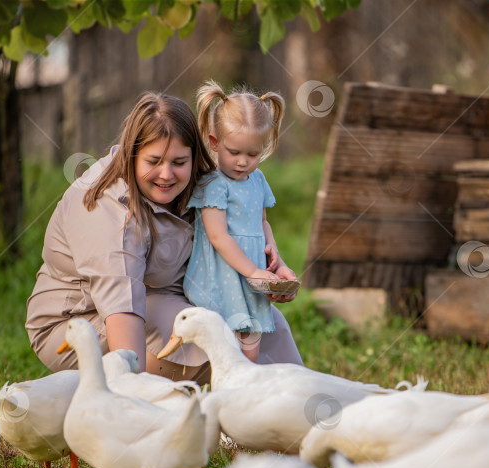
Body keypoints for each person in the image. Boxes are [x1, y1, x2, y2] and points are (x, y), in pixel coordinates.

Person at [26, 92, 302, 385]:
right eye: (153, 161)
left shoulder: (203, 181)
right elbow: (124, 311)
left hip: (166, 299)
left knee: (262, 328)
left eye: (179, 161)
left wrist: (272, 271)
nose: (166, 174)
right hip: (83, 320)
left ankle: (312, 410)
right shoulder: (111, 212)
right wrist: (131, 390)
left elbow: (241, 231)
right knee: (216, 336)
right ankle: (178, 411)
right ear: (132, 154)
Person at [184, 81, 296, 363]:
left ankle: (243, 398)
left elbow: (262, 222)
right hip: (223, 276)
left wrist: (274, 255)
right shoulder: (214, 184)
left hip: (251, 275)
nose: (243, 162)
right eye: (234, 152)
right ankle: (220, 397)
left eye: (253, 154)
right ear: (214, 142)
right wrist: (253, 272)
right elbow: (218, 236)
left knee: (250, 347)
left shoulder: (258, 180)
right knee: (230, 346)